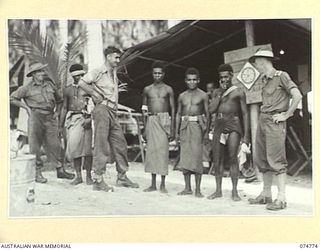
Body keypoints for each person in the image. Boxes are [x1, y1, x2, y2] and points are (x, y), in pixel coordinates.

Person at [78, 46, 139, 192]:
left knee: (120, 143)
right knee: (101, 145)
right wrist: (93, 93)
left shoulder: (113, 73)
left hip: (112, 111)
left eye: (119, 58)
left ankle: (122, 176)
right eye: (116, 57)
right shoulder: (99, 71)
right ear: (108, 57)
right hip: (102, 110)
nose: (118, 60)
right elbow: (81, 82)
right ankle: (98, 179)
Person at [248, 49, 302, 210]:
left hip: (275, 122)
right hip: (263, 120)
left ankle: (281, 198)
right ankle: (266, 194)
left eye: (256, 62)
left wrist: (286, 115)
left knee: (276, 160)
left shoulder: (281, 76)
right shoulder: (264, 79)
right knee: (262, 158)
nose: (256, 65)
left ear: (263, 60)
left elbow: (297, 95)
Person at [10, 62, 75, 183]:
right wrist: (26, 108)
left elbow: (59, 100)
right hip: (36, 117)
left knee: (55, 143)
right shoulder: (26, 88)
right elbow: (12, 98)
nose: (42, 73)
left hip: (50, 117)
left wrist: (57, 112)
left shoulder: (50, 85)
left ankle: (60, 170)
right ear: (33, 74)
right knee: (35, 146)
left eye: (42, 71)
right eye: (39, 71)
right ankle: (37, 173)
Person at [207, 63, 250, 201]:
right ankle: (218, 191)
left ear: (231, 76)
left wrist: (246, 137)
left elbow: (245, 114)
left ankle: (235, 192)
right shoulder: (216, 92)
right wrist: (219, 95)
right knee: (217, 159)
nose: (224, 79)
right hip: (219, 125)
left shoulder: (239, 91)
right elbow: (211, 110)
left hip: (234, 125)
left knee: (232, 158)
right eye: (221, 77)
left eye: (226, 76)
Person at [141, 61, 175, 193]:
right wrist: (145, 127)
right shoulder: (147, 89)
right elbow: (144, 109)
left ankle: (163, 184)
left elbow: (173, 108)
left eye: (160, 73)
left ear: (163, 74)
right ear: (152, 74)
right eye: (155, 73)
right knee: (152, 153)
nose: (157, 75)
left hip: (164, 120)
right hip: (152, 119)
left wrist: (172, 128)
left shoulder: (168, 89)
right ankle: (153, 184)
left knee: (162, 152)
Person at [175, 67, 209, 198]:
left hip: (197, 126)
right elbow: (178, 113)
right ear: (185, 81)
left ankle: (198, 190)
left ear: (198, 80)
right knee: (185, 156)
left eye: (194, 80)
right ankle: (187, 188)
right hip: (184, 125)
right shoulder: (182, 96)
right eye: (189, 80)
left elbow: (207, 113)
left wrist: (206, 132)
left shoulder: (203, 95)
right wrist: (177, 131)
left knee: (196, 156)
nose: (192, 82)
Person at [60, 64, 93, 185]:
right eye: (77, 76)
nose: (79, 77)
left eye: (81, 75)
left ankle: (89, 176)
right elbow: (64, 107)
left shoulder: (89, 88)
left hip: (87, 118)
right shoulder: (68, 90)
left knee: (88, 149)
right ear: (73, 76)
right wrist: (60, 124)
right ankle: (78, 176)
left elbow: (95, 104)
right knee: (74, 148)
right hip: (73, 119)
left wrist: (90, 118)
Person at [202, 82, 215, 173]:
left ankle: (208, 165)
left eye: (211, 89)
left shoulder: (218, 100)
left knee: (207, 143)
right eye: (208, 89)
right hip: (210, 130)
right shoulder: (206, 102)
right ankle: (205, 165)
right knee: (204, 141)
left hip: (219, 130)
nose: (209, 91)